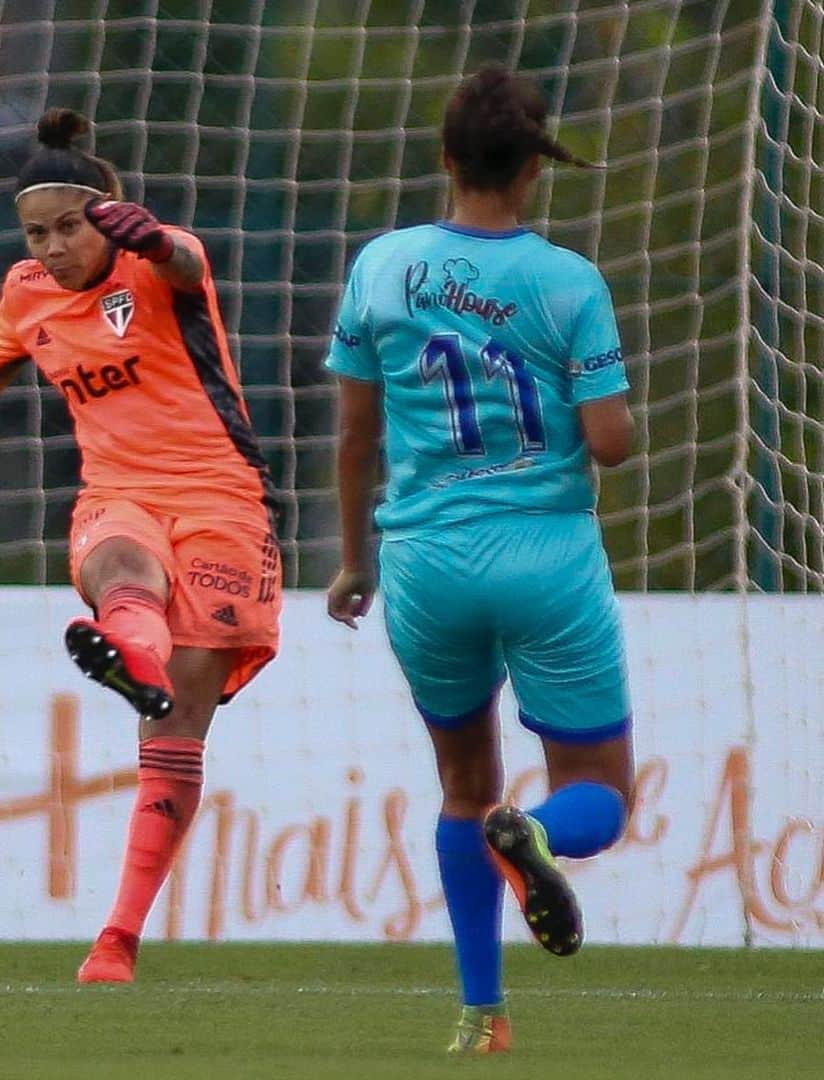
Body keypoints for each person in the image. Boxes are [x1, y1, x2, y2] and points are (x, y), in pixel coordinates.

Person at [0, 108, 282, 984]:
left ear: (105, 215)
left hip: (222, 500)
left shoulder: (159, 265)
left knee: (181, 727)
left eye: (66, 227)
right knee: (121, 569)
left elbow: (191, 263)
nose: (51, 247)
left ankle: (117, 937)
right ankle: (134, 656)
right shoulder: (27, 292)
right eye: (35, 232)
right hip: (118, 493)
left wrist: (152, 237)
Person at [325, 65, 635, 1056]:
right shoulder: (568, 282)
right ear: (534, 172)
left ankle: (480, 1014)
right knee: (599, 786)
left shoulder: (380, 269)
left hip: (424, 562)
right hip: (546, 556)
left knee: (463, 785)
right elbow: (612, 440)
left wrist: (351, 562)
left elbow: (354, 436)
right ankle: (541, 834)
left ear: (447, 159)